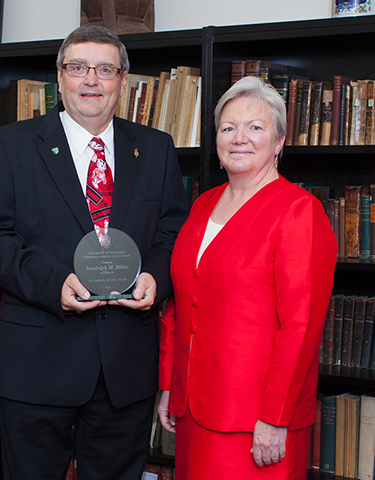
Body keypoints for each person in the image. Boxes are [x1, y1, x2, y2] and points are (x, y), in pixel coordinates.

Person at [0, 24, 188, 480]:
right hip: (38, 361)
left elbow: (172, 231)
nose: (92, 80)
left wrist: (156, 278)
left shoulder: (157, 149)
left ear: (123, 81)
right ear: (59, 77)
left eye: (105, 69)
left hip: (125, 365)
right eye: (79, 67)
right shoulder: (9, 145)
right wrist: (53, 284)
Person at [157, 76, 338, 479]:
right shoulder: (202, 205)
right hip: (193, 410)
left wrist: (275, 418)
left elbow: (301, 326)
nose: (240, 138)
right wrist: (169, 384)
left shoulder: (299, 212)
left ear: (279, 142)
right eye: (228, 127)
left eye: (255, 127)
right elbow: (180, 301)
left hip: (257, 421)